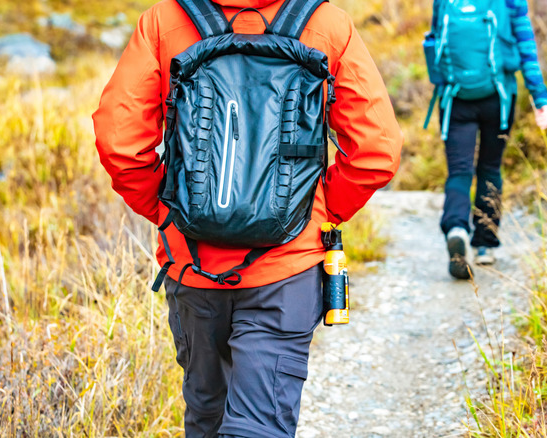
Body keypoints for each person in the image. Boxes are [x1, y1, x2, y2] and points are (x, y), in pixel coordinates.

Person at [92, 0, 403, 436]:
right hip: (286, 270)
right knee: (261, 425)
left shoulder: (164, 21)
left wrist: (168, 212)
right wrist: (323, 210)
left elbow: (118, 142)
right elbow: (376, 151)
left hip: (193, 265)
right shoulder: (326, 24)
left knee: (206, 416)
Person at [424, 0, 547, 279]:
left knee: (459, 171)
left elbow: (435, 39)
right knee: (490, 168)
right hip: (499, 98)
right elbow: (525, 41)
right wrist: (539, 95)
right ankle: (485, 244)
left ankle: (456, 228)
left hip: (455, 98)